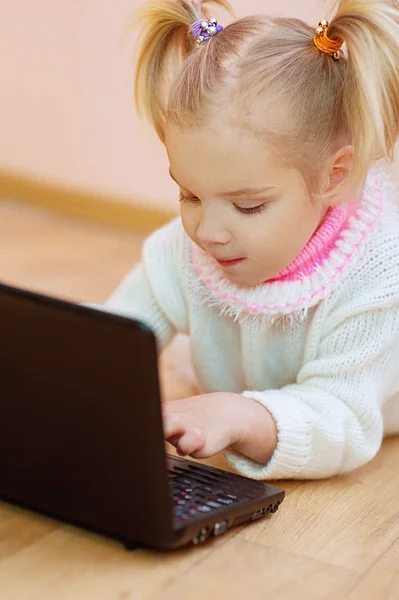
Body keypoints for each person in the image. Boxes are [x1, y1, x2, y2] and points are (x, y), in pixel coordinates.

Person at [104, 0, 399, 480]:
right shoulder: (184, 252)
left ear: (332, 175)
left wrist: (244, 417)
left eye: (248, 207)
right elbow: (111, 335)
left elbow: (341, 418)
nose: (208, 232)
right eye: (189, 194)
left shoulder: (379, 270)